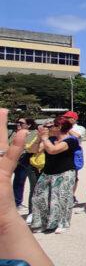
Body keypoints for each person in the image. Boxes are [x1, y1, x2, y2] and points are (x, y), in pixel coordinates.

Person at [0, 108, 54, 265]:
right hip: (25, 164)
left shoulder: (35, 134)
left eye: (21, 123)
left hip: (33, 165)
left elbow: (33, 148)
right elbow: (31, 148)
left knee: (34, 190)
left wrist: (6, 224)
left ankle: (33, 212)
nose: (18, 125)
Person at [29, 116, 78, 233]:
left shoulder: (71, 140)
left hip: (64, 173)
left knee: (62, 199)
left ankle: (63, 223)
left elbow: (53, 150)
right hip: (47, 172)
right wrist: (39, 138)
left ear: (59, 127)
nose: (48, 128)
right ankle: (42, 223)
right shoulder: (50, 139)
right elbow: (33, 150)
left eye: (51, 126)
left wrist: (45, 139)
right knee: (38, 197)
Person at [12, 117, 34, 212]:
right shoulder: (12, 133)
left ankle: (17, 203)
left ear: (28, 125)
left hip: (23, 162)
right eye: (17, 122)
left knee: (19, 182)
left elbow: (30, 147)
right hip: (10, 160)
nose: (18, 124)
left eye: (21, 123)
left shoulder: (32, 134)